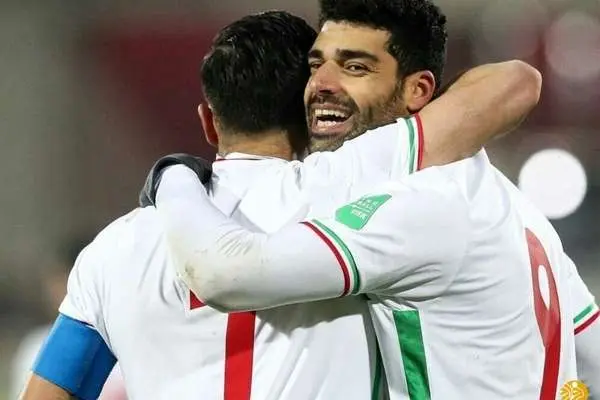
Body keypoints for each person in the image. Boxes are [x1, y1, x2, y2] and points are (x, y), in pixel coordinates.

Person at [22, 4, 545, 400]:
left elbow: (51, 391)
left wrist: (172, 175)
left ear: (208, 121)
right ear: (310, 108)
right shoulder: (355, 188)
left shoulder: (110, 251)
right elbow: (511, 85)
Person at [150, 0, 599, 398]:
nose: (322, 83)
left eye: (355, 67)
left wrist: (174, 176)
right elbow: (591, 358)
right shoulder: (515, 205)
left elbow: (224, 275)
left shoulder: (419, 205)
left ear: (418, 91)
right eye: (315, 65)